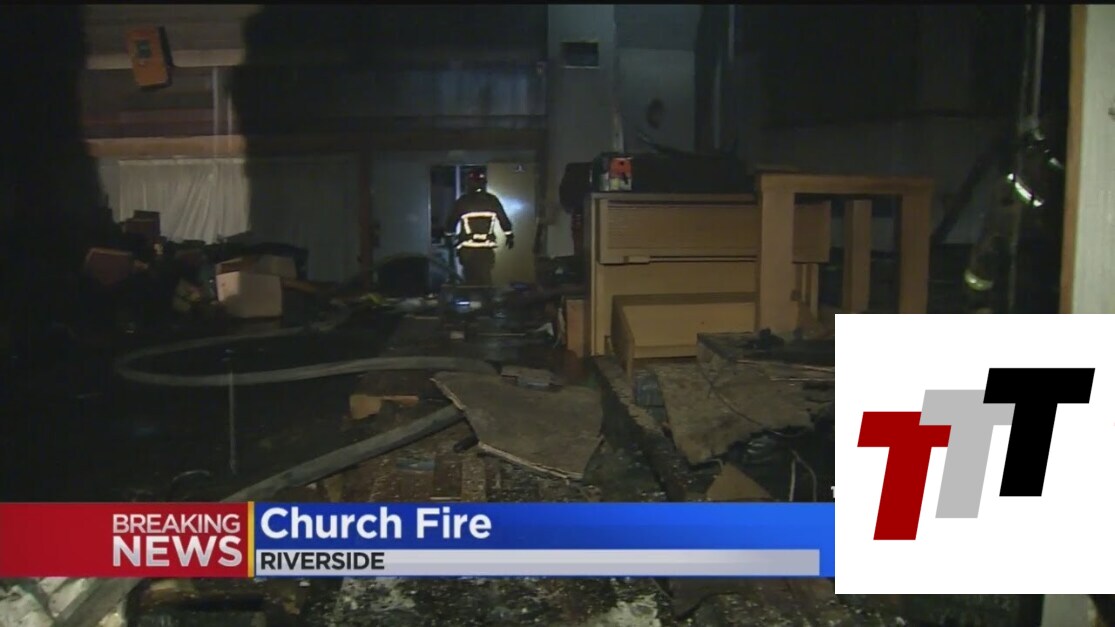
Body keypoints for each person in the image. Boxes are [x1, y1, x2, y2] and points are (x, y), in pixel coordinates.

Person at [444, 170, 513, 286]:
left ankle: (473, 296)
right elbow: (503, 219)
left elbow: (451, 222)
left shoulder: (463, 201)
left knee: (470, 281)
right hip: (486, 249)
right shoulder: (492, 200)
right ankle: (486, 296)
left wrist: (448, 237)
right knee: (485, 279)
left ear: (468, 184)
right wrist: (509, 235)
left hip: (467, 248)